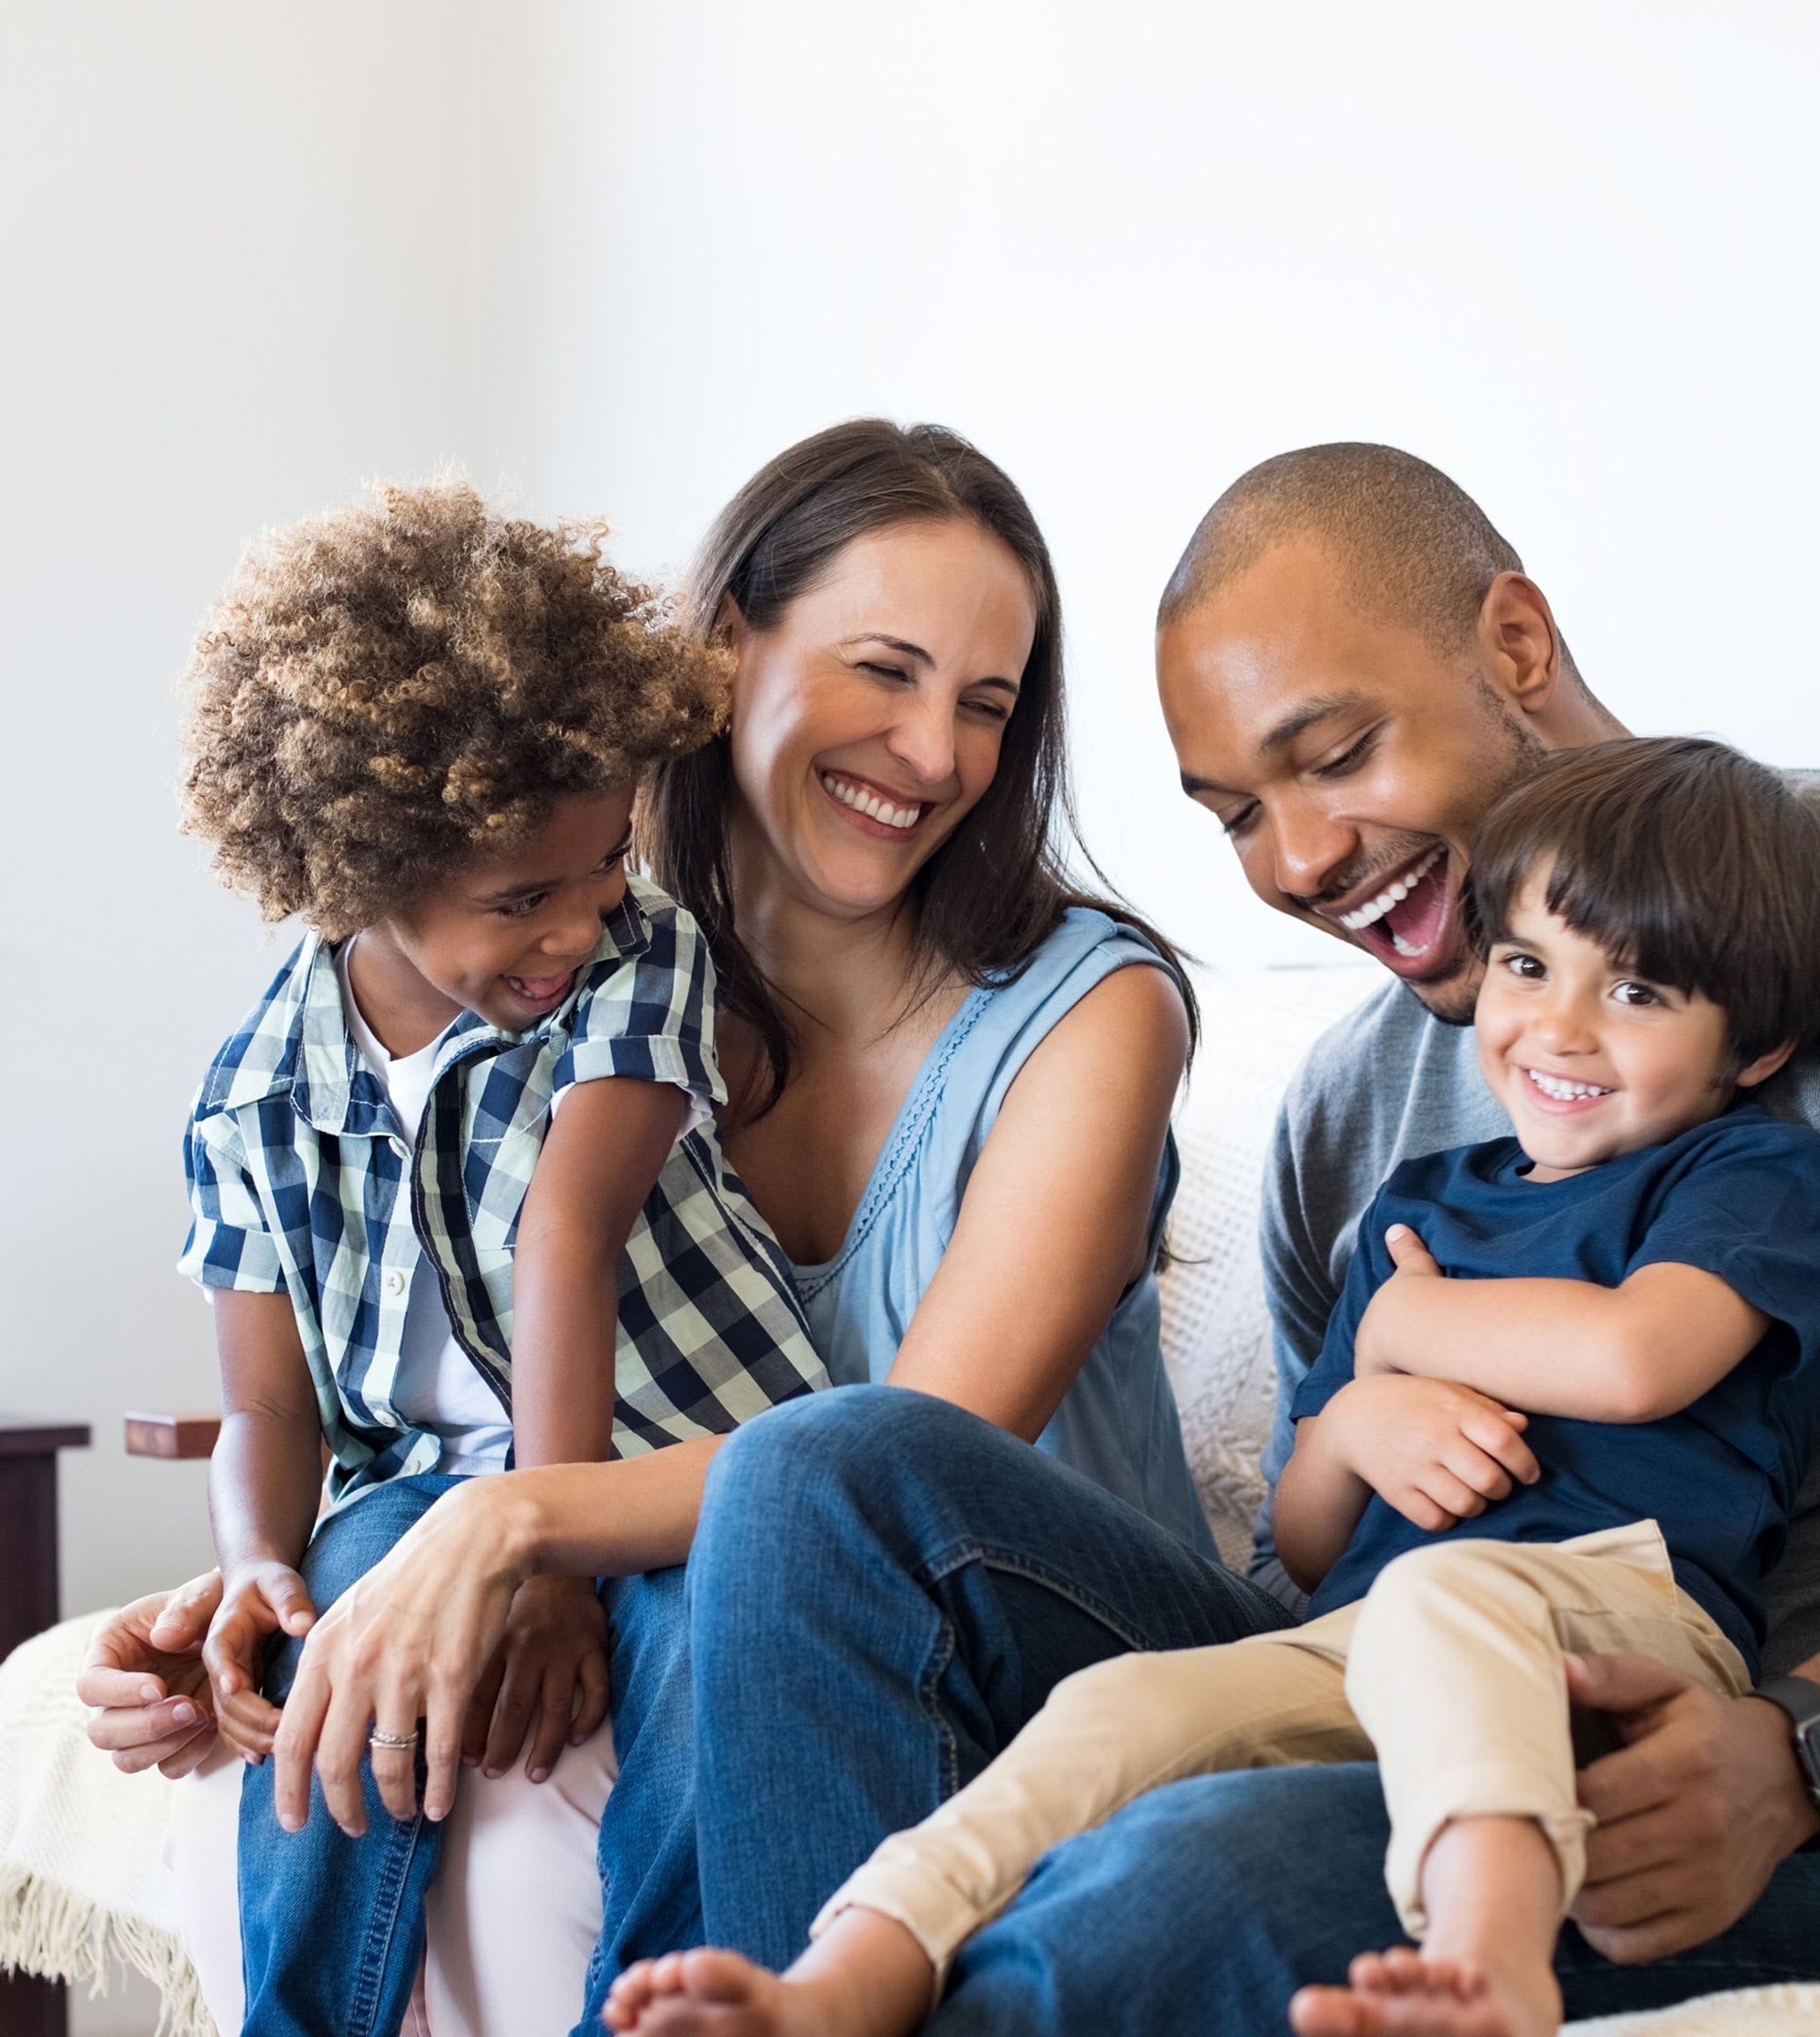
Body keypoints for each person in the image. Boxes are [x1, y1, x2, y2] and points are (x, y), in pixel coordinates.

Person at [558, 445, 1819, 2032]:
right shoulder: (1354, 1121)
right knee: (813, 1468)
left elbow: (1639, 1368)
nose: (1295, 864)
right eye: (1235, 814)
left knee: (1162, 1887)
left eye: (1336, 751)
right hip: (1379, 1661)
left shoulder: (1781, 960)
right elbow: (1314, 1546)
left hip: (1681, 1725)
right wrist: (1362, 1405)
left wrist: (1793, 1752)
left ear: (1511, 646)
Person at [79, 421, 1270, 2032]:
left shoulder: (1089, 1014)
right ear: (722, 652)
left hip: (1018, 1640)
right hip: (729, 1596)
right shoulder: (563, 954)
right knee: (389, 1704)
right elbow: (395, 1350)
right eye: (885, 671)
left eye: (986, 704)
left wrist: (516, 1521)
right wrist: (267, 1585)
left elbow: (898, 1462)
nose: (932, 751)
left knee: (756, 1542)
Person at [167, 478, 831, 2037]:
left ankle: (661, 2011)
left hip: (684, 1459)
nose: (576, 920)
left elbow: (567, 1235)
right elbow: (270, 1408)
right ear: (355, 871)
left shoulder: (634, 956)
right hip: (417, 1491)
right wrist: (261, 1559)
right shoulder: (254, 1094)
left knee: (700, 1659)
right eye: (521, 896)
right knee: (343, 1629)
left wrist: (546, 1549)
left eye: (602, 863)